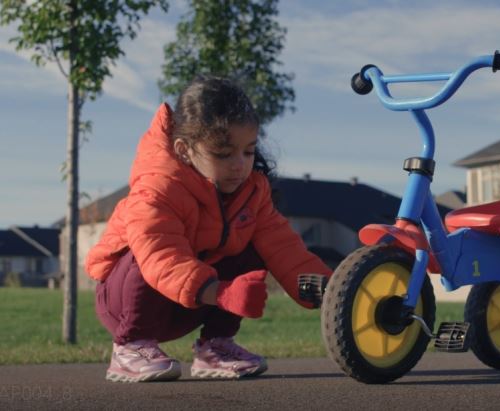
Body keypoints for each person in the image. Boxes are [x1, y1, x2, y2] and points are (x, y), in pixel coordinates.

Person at [85, 76, 333, 383]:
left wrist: (337, 292)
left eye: (248, 151)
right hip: (125, 303)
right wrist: (222, 293)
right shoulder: (157, 188)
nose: (239, 165)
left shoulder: (252, 192)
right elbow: (160, 257)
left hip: (191, 302)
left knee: (257, 244)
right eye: (223, 153)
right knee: (145, 249)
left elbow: (284, 247)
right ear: (184, 149)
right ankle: (130, 348)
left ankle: (215, 347)